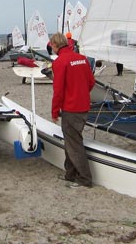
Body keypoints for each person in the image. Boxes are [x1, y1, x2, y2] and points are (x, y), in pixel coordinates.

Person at [50, 31, 95, 189]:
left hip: (71, 109)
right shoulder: (82, 59)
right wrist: (81, 94)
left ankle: (84, 179)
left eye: (52, 46)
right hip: (83, 107)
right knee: (71, 141)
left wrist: (54, 112)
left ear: (55, 45)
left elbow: (58, 91)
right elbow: (91, 82)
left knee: (74, 144)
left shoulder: (60, 62)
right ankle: (70, 174)